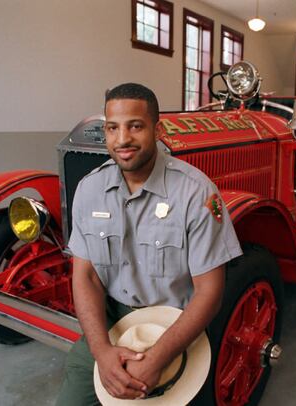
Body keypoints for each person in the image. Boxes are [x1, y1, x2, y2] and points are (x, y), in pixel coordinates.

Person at [56, 83, 242, 405]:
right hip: (112, 322)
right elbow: (85, 276)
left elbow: (210, 292)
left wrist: (158, 358)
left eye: (135, 126)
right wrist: (101, 352)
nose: (123, 139)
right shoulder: (89, 189)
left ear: (157, 129)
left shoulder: (196, 193)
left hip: (174, 327)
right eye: (112, 128)